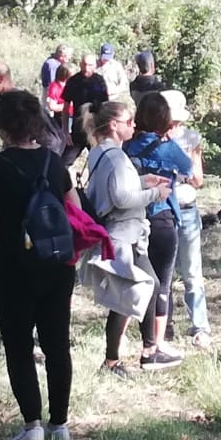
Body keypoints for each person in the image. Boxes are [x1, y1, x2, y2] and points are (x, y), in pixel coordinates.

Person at [0, 89, 82, 440]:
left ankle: (32, 425)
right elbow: (75, 210)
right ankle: (61, 424)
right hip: (55, 264)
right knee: (57, 344)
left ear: (3, 127)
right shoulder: (55, 164)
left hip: (13, 267)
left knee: (19, 346)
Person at [85, 101, 176, 376]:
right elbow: (121, 198)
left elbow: (116, 185)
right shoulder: (115, 156)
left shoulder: (99, 152)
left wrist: (141, 180)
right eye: (128, 121)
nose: (134, 126)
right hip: (122, 233)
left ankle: (146, 351)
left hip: (124, 233)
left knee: (145, 287)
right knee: (128, 296)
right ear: (113, 125)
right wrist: (155, 194)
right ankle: (121, 359)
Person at [124, 91, 198, 356]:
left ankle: (135, 341)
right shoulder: (167, 147)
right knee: (163, 283)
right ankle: (158, 341)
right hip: (163, 214)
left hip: (133, 216)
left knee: (141, 279)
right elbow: (190, 169)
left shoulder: (128, 146)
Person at [160, 90, 212, 348]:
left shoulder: (191, 138)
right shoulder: (152, 139)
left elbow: (198, 178)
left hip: (186, 206)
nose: (175, 125)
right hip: (163, 209)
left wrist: (177, 169)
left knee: (192, 271)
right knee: (164, 272)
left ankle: (200, 326)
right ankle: (164, 325)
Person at [0, 60, 67, 155]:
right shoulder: (8, 102)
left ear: (1, 78)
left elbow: (52, 140)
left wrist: (44, 162)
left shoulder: (20, 103)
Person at [61, 53, 110, 160]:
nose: (86, 68)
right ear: (80, 64)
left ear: (95, 66)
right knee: (64, 162)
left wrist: (105, 132)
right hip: (77, 130)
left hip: (95, 130)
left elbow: (105, 106)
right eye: (84, 64)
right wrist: (65, 131)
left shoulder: (99, 81)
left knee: (100, 161)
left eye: (90, 65)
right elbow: (65, 107)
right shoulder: (73, 81)